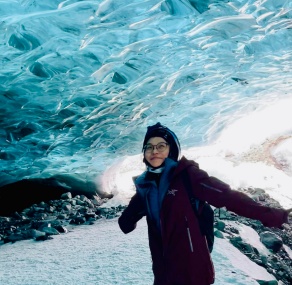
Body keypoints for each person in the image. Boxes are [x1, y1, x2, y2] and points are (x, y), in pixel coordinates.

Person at [118, 122, 292, 285]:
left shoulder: (187, 175)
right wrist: (128, 218)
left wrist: (272, 215)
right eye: (149, 147)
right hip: (163, 271)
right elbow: (126, 223)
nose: (154, 151)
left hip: (193, 270)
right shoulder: (146, 186)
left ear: (172, 149)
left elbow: (226, 196)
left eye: (161, 146)